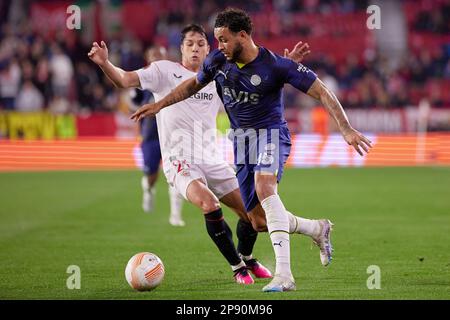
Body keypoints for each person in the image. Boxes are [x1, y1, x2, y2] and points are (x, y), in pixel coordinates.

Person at [130, 9, 372, 292]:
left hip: (270, 133)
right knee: (257, 221)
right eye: (217, 40)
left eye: (223, 39)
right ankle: (316, 229)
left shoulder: (276, 65)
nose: (218, 46)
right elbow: (192, 86)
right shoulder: (219, 61)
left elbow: (322, 92)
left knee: (265, 187)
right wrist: (160, 104)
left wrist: (345, 128)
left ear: (242, 36)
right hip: (241, 142)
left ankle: (285, 276)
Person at [89, 24, 309, 285]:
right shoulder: (162, 70)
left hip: (212, 158)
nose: (195, 48)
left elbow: (259, 88)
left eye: (201, 44)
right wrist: (105, 63)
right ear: (181, 48)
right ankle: (237, 266)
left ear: (209, 48)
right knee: (209, 204)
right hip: (179, 161)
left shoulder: (219, 76)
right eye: (190, 43)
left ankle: (248, 257)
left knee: (254, 215)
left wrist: (285, 69)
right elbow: (123, 80)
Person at [129, 46, 185, 226]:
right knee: (152, 173)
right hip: (152, 135)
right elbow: (130, 99)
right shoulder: (143, 81)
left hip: (174, 135)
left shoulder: (175, 77)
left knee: (179, 173)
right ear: (148, 58)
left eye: (160, 55)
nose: (157, 58)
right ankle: (148, 189)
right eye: (153, 55)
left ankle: (175, 216)